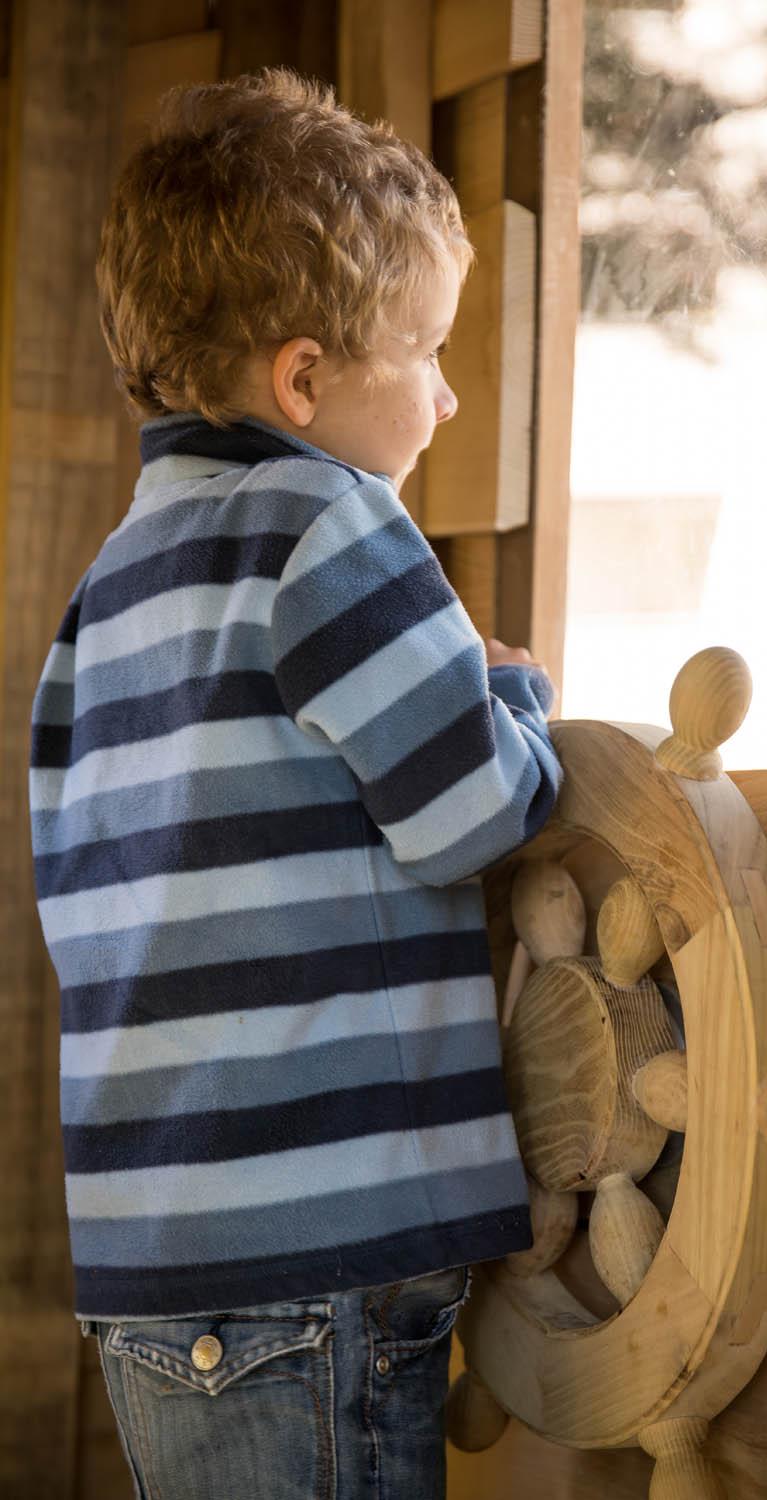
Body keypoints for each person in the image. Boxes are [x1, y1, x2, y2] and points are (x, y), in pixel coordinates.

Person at [28, 67, 562, 1500]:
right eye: (428, 350)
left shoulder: (110, 589)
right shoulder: (331, 524)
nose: (450, 393)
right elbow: (474, 814)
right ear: (307, 379)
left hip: (156, 1257)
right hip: (318, 1252)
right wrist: (511, 696)